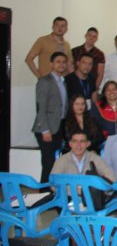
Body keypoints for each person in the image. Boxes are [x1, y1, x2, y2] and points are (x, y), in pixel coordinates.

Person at [32, 52, 69, 183]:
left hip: (58, 127)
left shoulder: (63, 82)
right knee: (48, 163)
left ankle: (53, 191)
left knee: (56, 163)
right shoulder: (45, 81)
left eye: (64, 62)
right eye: (58, 61)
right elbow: (41, 108)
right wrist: (45, 130)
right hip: (47, 129)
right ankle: (44, 191)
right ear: (51, 64)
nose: (61, 64)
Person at [51, 131, 116, 182]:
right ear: (70, 144)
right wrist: (73, 188)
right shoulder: (62, 160)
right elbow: (53, 181)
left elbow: (112, 178)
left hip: (90, 194)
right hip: (68, 194)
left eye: (82, 141)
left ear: (88, 144)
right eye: (75, 141)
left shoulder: (95, 158)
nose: (78, 145)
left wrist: (95, 185)